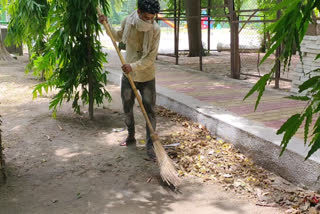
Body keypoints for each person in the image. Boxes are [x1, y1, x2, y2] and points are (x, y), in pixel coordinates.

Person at [99, 0, 160, 160]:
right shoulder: (128, 21)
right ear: (139, 12)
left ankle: (151, 146)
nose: (149, 21)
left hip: (147, 76)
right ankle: (130, 136)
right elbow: (118, 36)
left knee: (150, 111)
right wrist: (106, 25)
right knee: (127, 108)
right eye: (146, 17)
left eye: (152, 18)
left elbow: (150, 58)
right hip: (129, 76)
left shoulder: (155, 29)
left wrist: (133, 66)